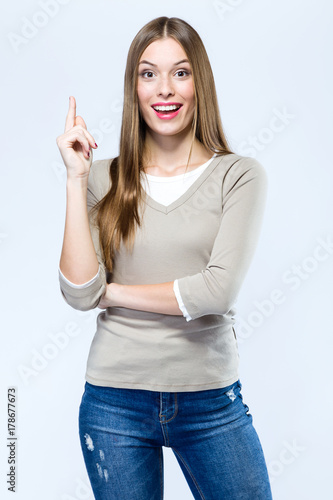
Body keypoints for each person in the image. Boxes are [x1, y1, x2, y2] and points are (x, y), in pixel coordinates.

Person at [56, 16, 273, 500]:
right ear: (133, 87)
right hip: (113, 402)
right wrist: (74, 179)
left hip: (211, 401)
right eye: (148, 73)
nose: (164, 89)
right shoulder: (100, 178)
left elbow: (216, 291)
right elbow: (76, 291)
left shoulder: (238, 176)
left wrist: (108, 293)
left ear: (200, 81)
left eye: (180, 72)